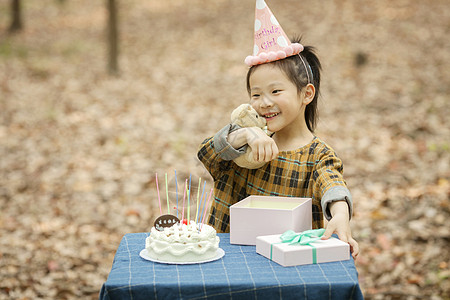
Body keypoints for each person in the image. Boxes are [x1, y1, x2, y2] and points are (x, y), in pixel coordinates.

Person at [198, 1, 359, 258]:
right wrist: (246, 134)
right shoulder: (242, 147)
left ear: (306, 93)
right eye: (256, 94)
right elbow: (209, 153)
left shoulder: (317, 156)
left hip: (285, 268)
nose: (264, 102)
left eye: (275, 91)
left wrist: (341, 215)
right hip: (228, 261)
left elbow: (333, 185)